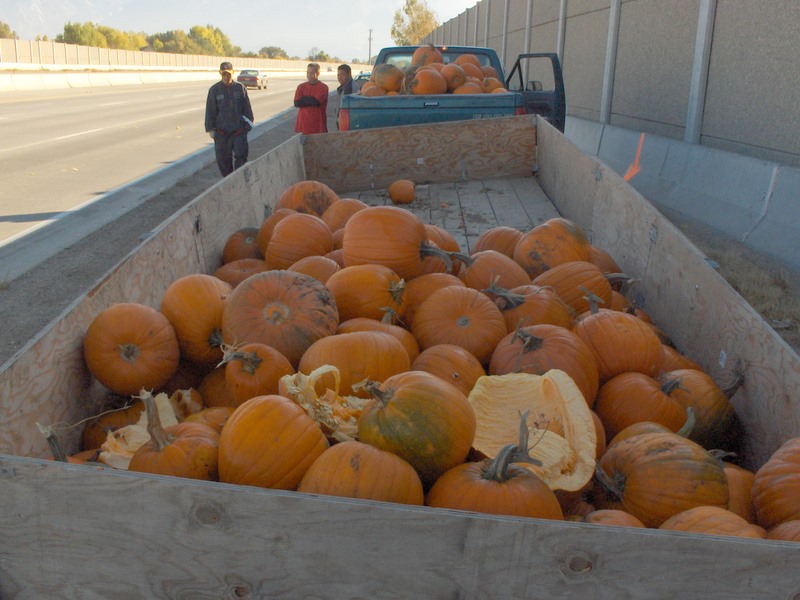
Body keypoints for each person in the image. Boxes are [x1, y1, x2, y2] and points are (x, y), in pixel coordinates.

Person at [205, 61, 254, 177]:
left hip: (238, 132)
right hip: (221, 134)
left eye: (229, 74)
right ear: (220, 73)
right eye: (224, 74)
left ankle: (239, 181)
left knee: (241, 159)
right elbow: (210, 111)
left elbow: (247, 111)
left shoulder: (240, 88)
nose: (226, 77)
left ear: (233, 73)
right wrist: (211, 129)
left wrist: (246, 127)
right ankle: (228, 184)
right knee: (224, 162)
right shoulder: (214, 90)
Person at [294, 63, 329, 135]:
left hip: (318, 127)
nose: (309, 75)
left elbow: (316, 102)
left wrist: (303, 99)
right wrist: (310, 99)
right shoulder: (301, 87)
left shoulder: (323, 87)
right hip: (302, 127)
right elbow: (297, 103)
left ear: (318, 73)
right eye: (308, 73)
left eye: (312, 73)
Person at [335, 64, 354, 130]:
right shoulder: (343, 88)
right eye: (338, 75)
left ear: (349, 75)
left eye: (342, 75)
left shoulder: (349, 89)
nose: (340, 78)